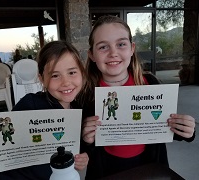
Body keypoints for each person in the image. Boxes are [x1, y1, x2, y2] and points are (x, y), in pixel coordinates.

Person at [82, 15, 196, 179]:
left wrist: (185, 129)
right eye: (103, 47)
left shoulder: (149, 83)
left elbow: (165, 123)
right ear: (92, 55)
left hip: (150, 168)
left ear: (132, 48)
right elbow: (80, 149)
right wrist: (85, 138)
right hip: (106, 171)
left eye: (121, 44)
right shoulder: (87, 94)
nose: (113, 53)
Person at [0, 40, 89, 180]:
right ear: (42, 79)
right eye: (55, 75)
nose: (66, 82)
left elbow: (73, 153)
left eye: (72, 72)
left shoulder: (80, 110)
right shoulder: (31, 104)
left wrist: (82, 159)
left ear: (82, 73)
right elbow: (0, 153)